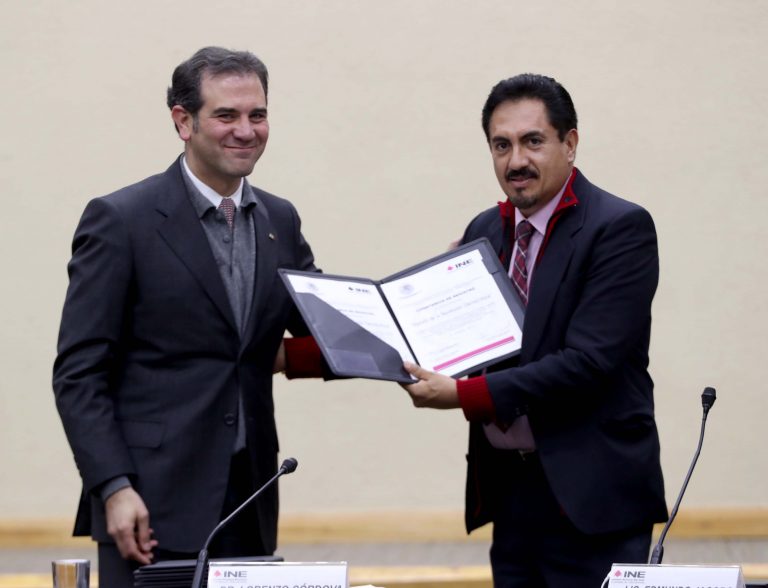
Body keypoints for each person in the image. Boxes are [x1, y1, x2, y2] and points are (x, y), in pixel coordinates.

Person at [53, 46, 318, 588]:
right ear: (183, 121)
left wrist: (426, 311)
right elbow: (79, 374)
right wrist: (113, 486)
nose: (246, 131)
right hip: (149, 506)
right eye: (226, 115)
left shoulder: (280, 219)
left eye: (258, 115)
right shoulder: (121, 220)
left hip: (247, 502)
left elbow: (326, 329)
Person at [402, 74, 668, 587]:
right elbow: (468, 341)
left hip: (592, 497)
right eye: (501, 145)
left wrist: (463, 395)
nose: (516, 161)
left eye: (533, 141)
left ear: (570, 143)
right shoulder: (485, 230)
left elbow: (588, 363)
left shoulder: (619, 228)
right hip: (512, 492)